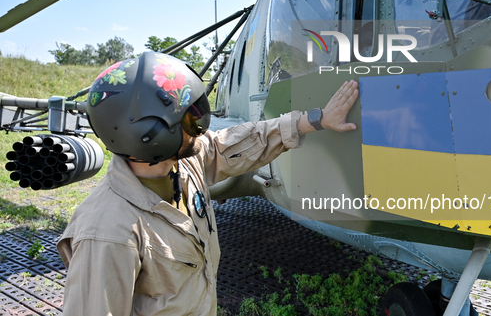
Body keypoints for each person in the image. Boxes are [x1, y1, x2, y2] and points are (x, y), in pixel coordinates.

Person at [56, 51, 359, 315]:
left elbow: (239, 143)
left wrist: (316, 120)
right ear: (153, 137)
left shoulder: (182, 162)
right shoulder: (107, 233)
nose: (201, 129)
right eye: (190, 120)